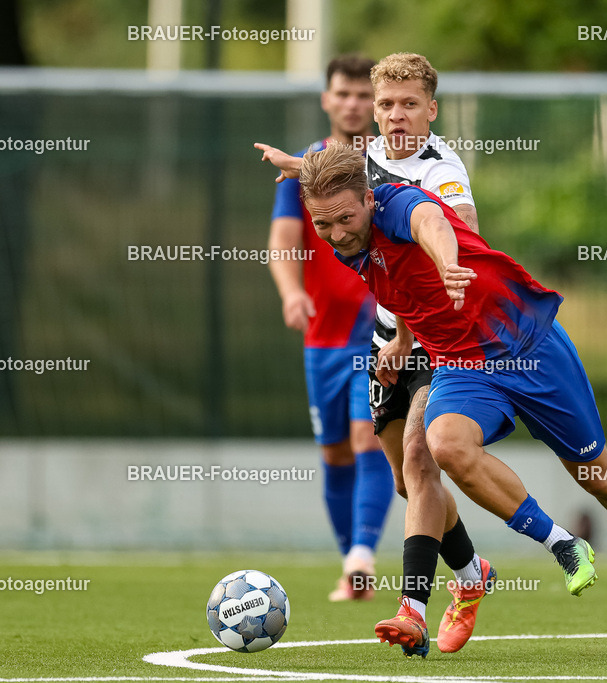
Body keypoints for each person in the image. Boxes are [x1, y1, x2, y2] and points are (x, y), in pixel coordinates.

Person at [296, 142, 607, 657]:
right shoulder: (349, 234)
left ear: (368, 197)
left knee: (595, 473)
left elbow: (432, 222)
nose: (336, 234)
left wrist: (449, 263)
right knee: (440, 447)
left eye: (343, 219)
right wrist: (403, 339)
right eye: (322, 226)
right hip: (461, 365)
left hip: (528, 345)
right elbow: (396, 282)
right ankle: (561, 544)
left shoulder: (399, 203)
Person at [257, 53, 494, 658]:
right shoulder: (352, 163)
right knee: (394, 474)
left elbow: (455, 222)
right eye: (379, 103)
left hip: (424, 338)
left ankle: (400, 599)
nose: (386, 113)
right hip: (363, 336)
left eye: (398, 102)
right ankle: (470, 574)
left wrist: (453, 254)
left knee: (413, 455)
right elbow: (310, 203)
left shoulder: (436, 168)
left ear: (429, 108)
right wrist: (292, 166)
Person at [266, 54, 393, 603]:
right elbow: (283, 240)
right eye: (344, 94)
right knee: (336, 453)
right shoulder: (304, 166)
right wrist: (292, 292)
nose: (354, 104)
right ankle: (352, 566)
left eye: (366, 96)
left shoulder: (389, 164)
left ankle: (363, 558)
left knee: (370, 437)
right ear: (327, 99)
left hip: (380, 327)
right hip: (322, 333)